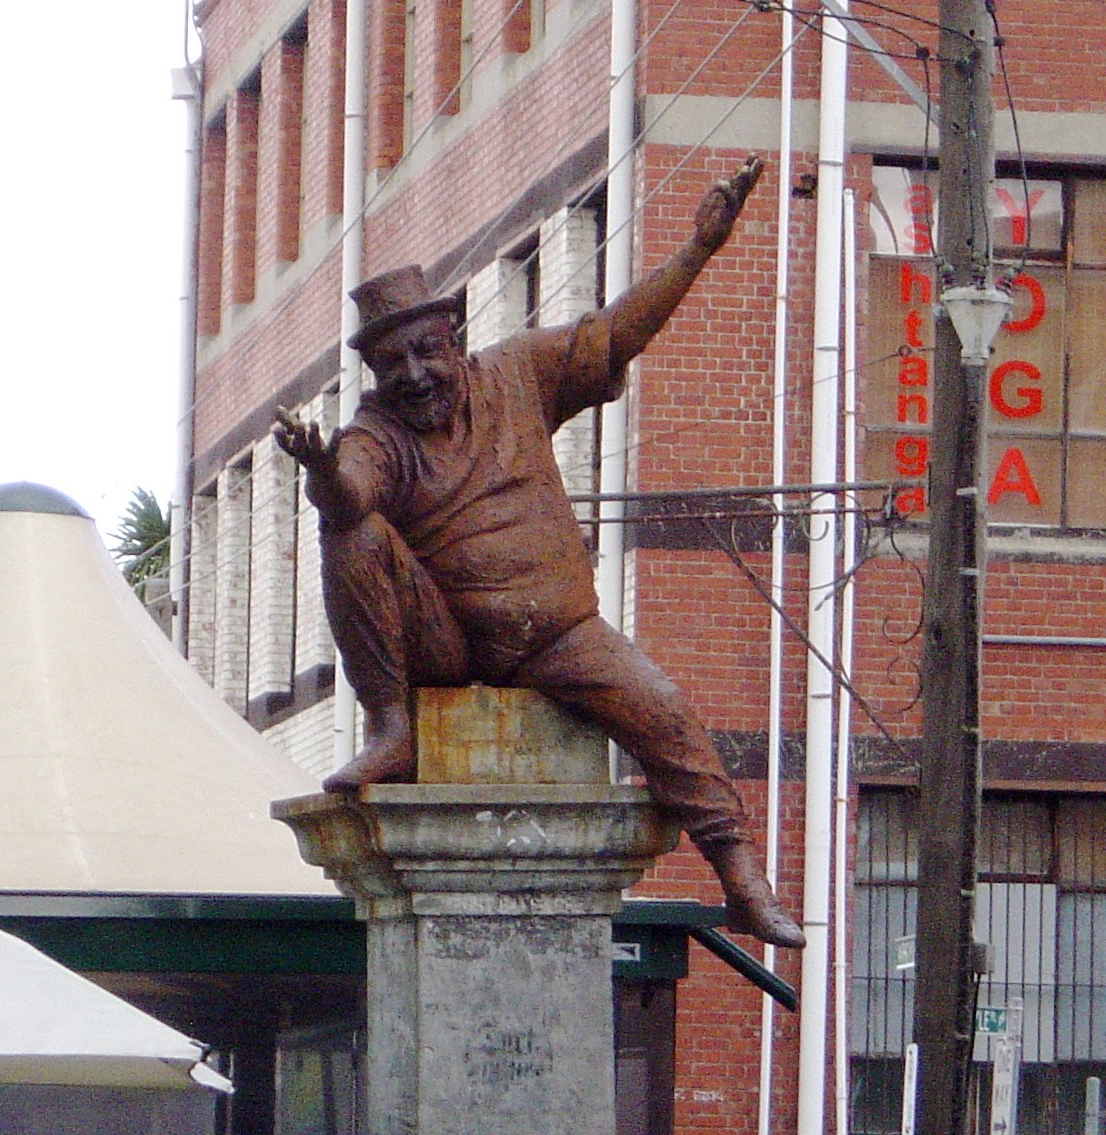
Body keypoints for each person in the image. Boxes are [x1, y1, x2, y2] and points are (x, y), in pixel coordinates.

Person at [274, 155, 804, 948]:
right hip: (446, 640)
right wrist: (320, 472)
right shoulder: (373, 435)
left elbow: (618, 331)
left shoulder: (518, 370)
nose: (415, 375)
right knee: (351, 534)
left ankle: (738, 873)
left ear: (453, 338)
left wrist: (698, 249)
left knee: (662, 707)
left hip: (560, 632)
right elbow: (351, 492)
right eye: (394, 364)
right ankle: (391, 725)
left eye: (426, 351)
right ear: (377, 375)